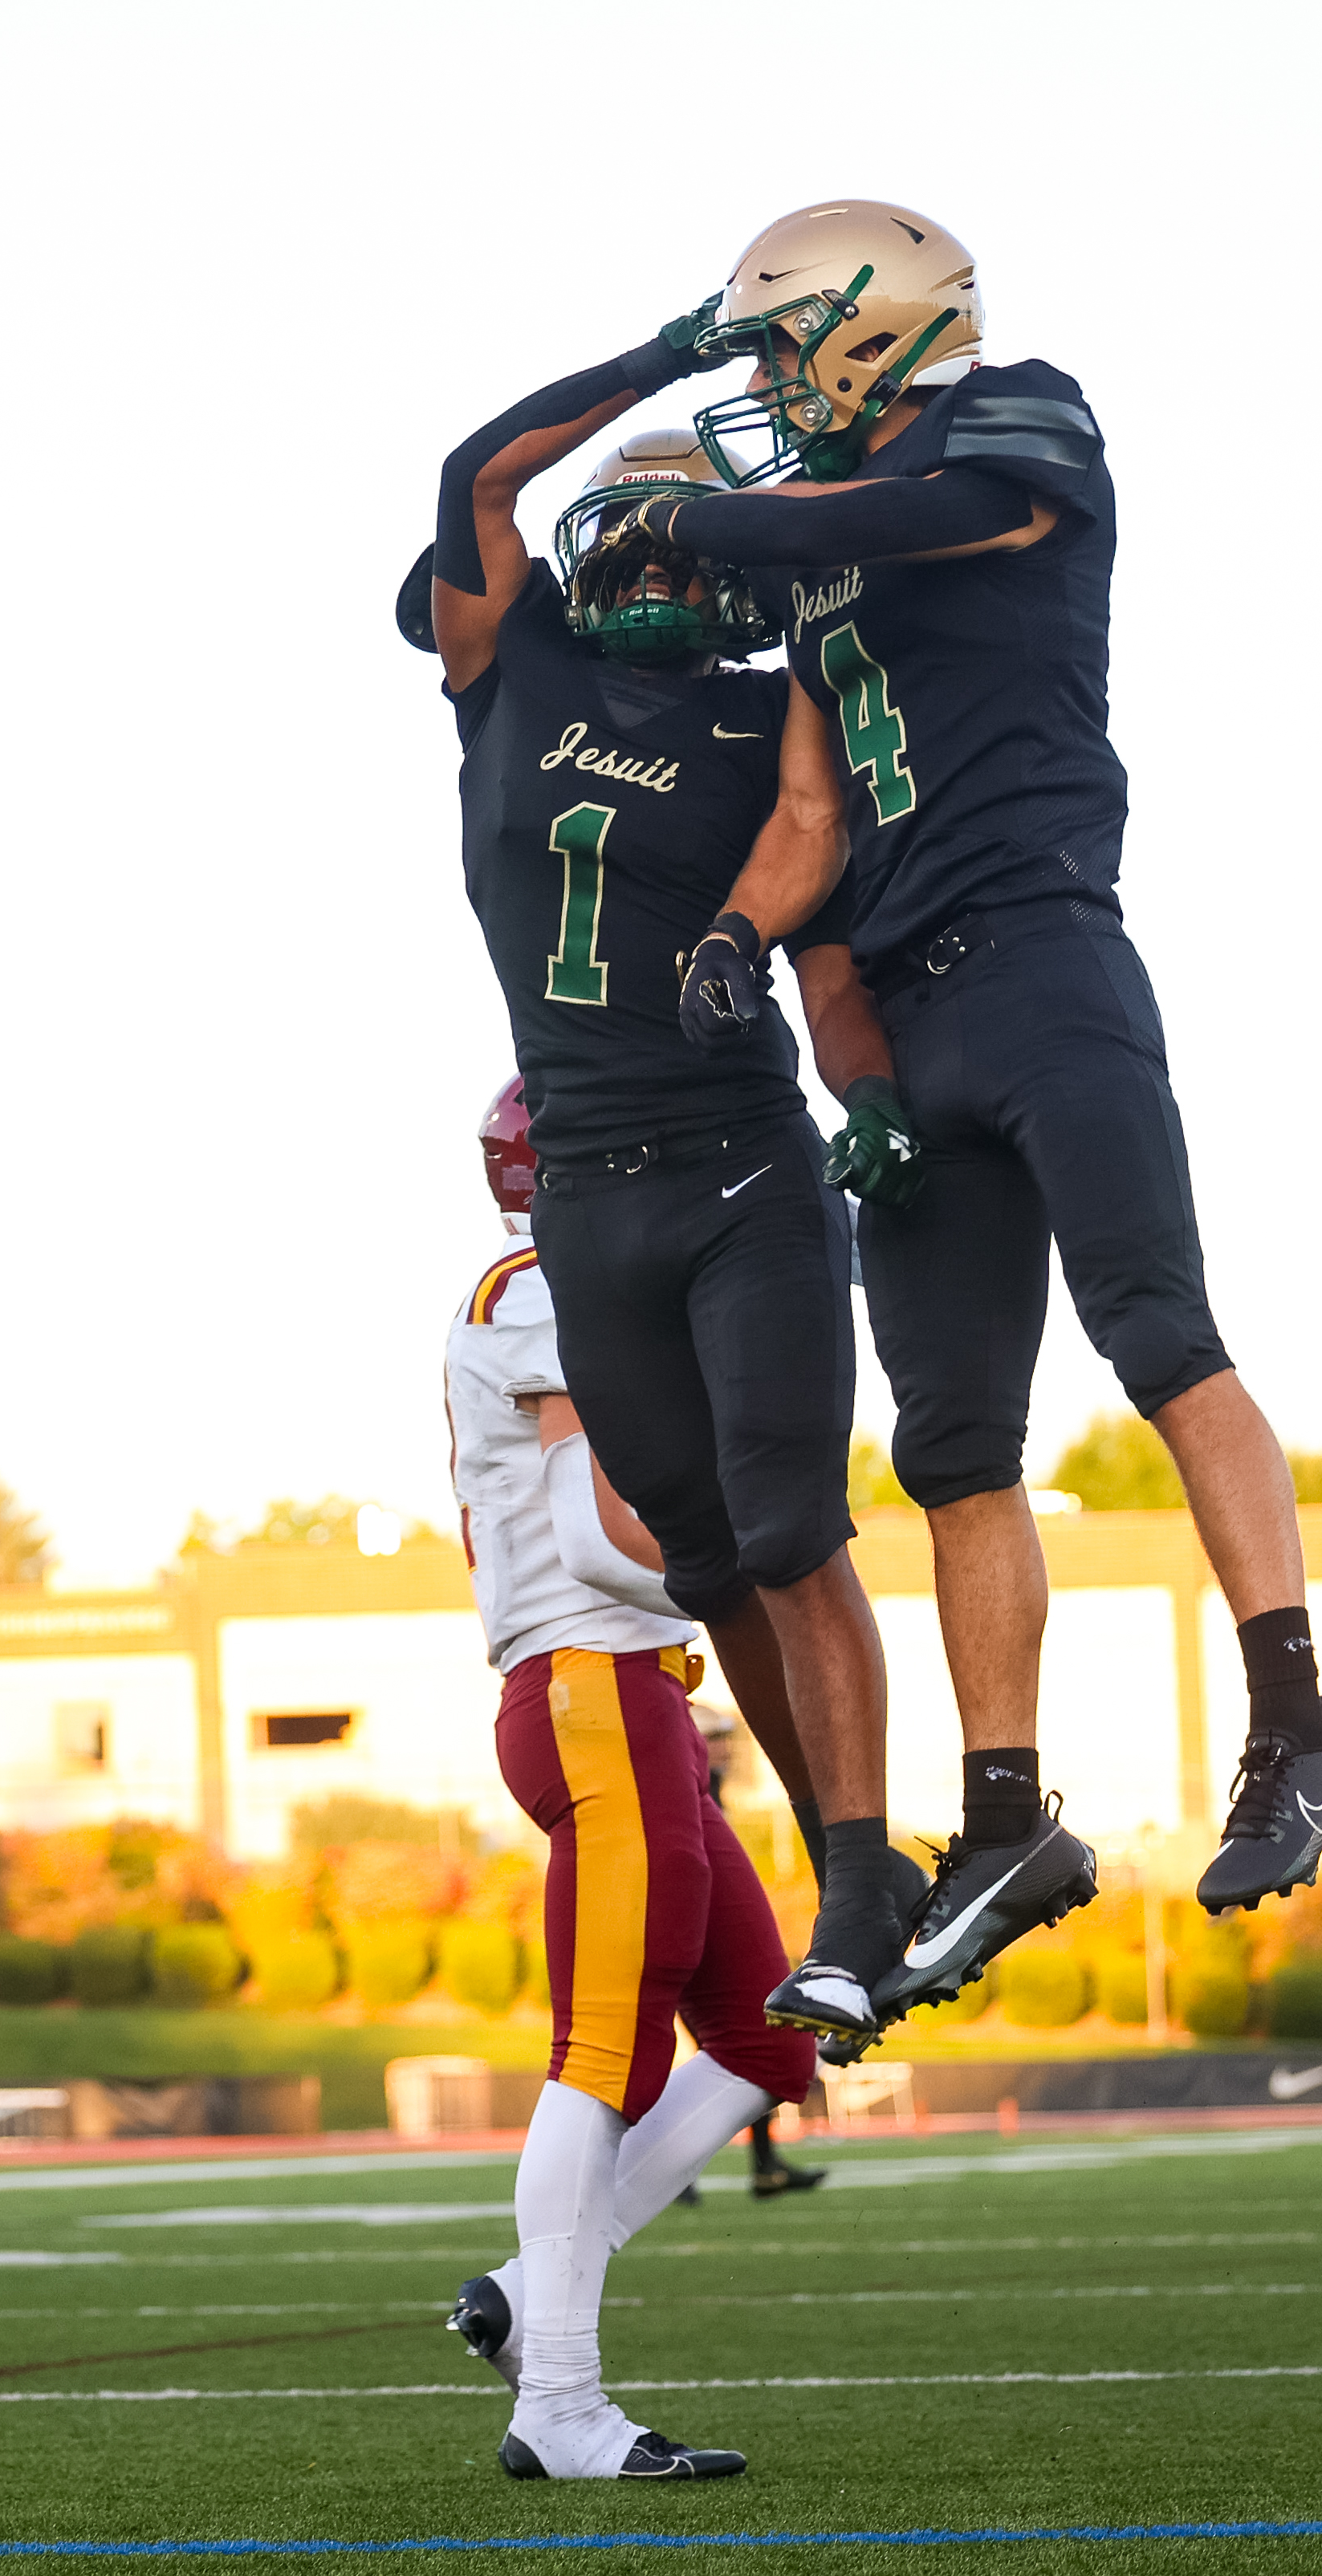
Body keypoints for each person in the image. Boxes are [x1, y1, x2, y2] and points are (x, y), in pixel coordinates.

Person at [649, 202, 1322, 1948]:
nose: (759, 388)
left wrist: (720, 511)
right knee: (949, 1440)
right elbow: (813, 815)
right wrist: (777, 973)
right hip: (910, 1008)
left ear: (865, 328)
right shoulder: (807, 556)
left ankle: (1292, 1718)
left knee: (1157, 1330)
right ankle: (1002, 1814)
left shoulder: (1018, 418)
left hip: (1045, 956)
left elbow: (931, 512)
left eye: (772, 347)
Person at [410, 376, 925, 2050]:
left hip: (738, 1161)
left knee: (788, 1527)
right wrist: (660, 357)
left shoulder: (772, 704)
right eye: (625, 531)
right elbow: (474, 476)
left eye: (686, 540)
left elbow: (823, 923)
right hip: (585, 1186)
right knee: (704, 1559)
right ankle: (842, 1853)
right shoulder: (508, 668)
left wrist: (881, 1110)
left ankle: (859, 1878)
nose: (657, 567)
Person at [433, 1097, 812, 2481]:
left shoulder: (572, 1283)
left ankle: (526, 2302)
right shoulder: (541, 1288)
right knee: (605, 2051)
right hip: (588, 1686)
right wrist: (766, 1570)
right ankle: (561, 2401)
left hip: (635, 1695)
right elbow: (601, 1540)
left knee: (768, 2043)